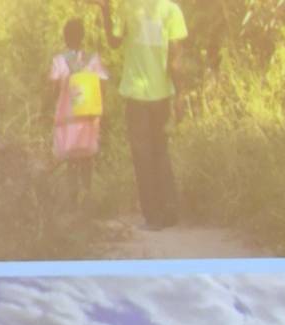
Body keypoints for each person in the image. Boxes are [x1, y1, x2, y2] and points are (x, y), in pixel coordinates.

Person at [101, 0, 188, 230]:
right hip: (162, 95)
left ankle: (153, 216)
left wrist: (105, 10)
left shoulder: (128, 7)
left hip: (137, 96)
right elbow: (176, 61)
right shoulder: (172, 10)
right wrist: (180, 96)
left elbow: (113, 43)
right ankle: (169, 210)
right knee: (160, 151)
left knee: (143, 156)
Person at [49, 17, 111, 205]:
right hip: (88, 119)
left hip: (68, 119)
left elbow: (52, 86)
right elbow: (103, 85)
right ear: (82, 37)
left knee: (71, 160)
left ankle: (72, 197)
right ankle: (87, 194)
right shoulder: (93, 59)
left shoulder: (59, 61)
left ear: (65, 37)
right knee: (87, 159)